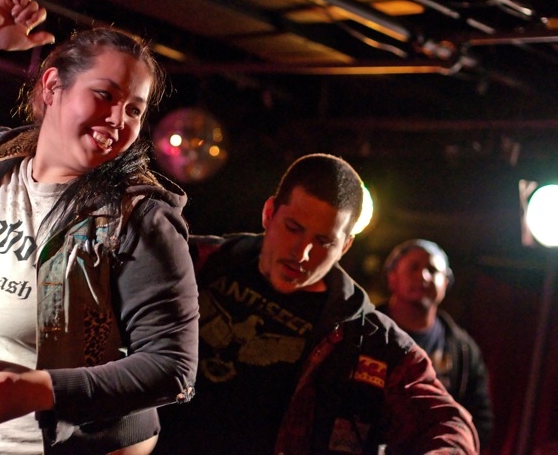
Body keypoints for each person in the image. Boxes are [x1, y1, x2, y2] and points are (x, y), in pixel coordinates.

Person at [0, 0, 199, 454]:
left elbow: (172, 368)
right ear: (51, 87)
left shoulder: (140, 219)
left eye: (134, 109)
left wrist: (41, 390)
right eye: (104, 95)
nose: (117, 120)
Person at [154, 153, 479, 455]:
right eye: (293, 228)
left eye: (324, 241)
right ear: (269, 213)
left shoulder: (368, 338)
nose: (302, 252)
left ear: (346, 245)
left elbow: (449, 424)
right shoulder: (191, 263)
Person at [379, 239, 493, 450]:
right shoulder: (365, 331)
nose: (423, 276)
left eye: (433, 270)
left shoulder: (463, 349)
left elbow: (479, 419)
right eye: (413, 267)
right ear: (392, 277)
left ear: (446, 283)